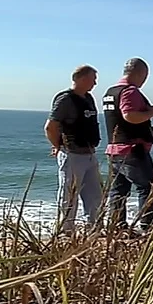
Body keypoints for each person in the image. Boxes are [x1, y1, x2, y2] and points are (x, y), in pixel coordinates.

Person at [102, 57, 153, 233]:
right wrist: (152, 112)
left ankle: (117, 227)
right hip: (132, 150)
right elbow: (129, 116)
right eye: (145, 75)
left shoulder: (110, 92)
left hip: (114, 149)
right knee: (148, 187)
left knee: (119, 190)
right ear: (140, 73)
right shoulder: (130, 92)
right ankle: (148, 227)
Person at [44, 65, 103, 234]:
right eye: (93, 79)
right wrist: (58, 146)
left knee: (94, 195)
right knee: (69, 195)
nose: (95, 83)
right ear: (81, 78)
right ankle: (65, 230)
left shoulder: (88, 98)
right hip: (72, 153)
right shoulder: (65, 99)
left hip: (90, 153)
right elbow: (50, 127)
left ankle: (94, 229)